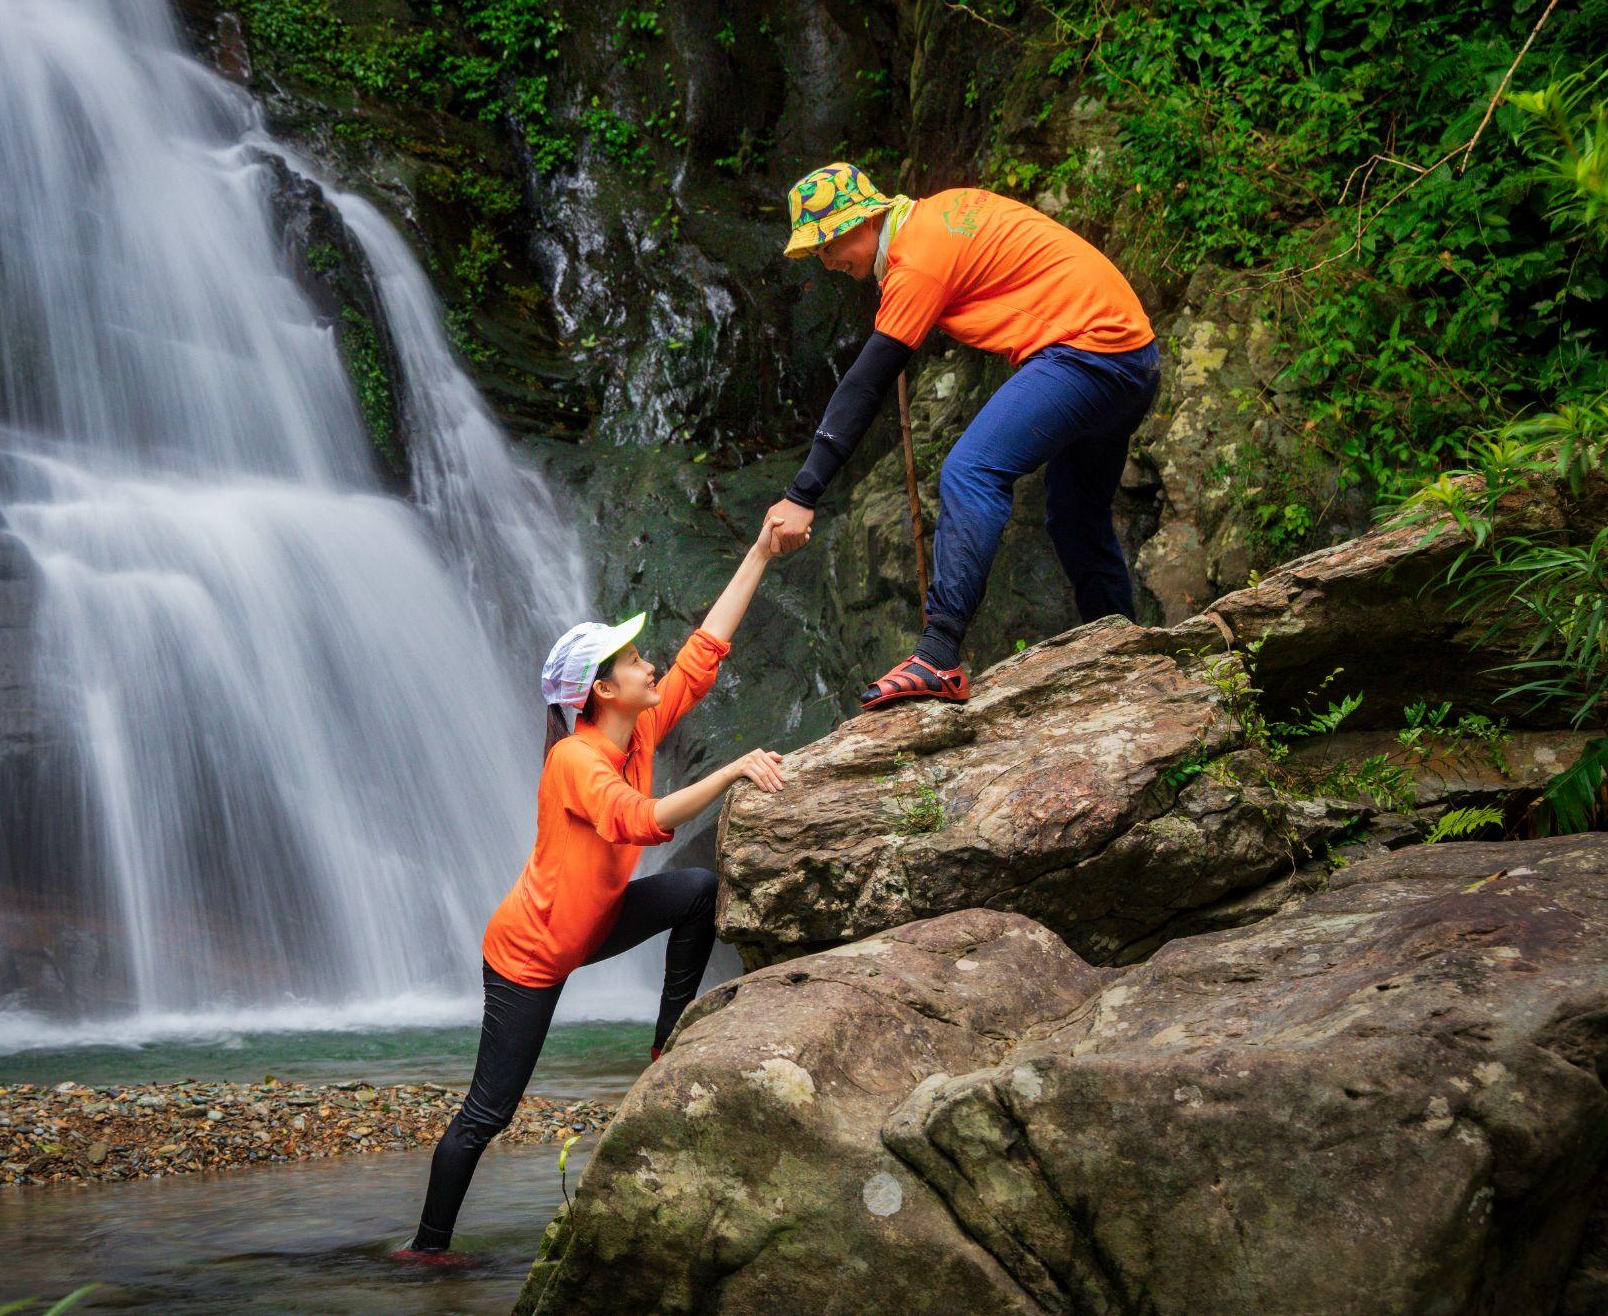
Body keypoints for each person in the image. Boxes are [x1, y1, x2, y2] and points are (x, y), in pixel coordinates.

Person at [402, 516, 789, 1258]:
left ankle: (664, 1048)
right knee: (489, 1114)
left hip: (597, 919)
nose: (653, 667)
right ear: (605, 689)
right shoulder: (575, 761)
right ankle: (425, 1249)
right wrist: (733, 767)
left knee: (698, 890)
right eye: (637, 660)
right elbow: (637, 820)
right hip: (529, 956)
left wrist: (761, 551)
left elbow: (704, 654)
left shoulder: (635, 729)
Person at [764, 162, 1160, 709]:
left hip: (1092, 353)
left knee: (971, 470)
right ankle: (1125, 653)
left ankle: (938, 654)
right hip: (1133, 356)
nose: (828, 263)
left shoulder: (917, 261)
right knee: (1074, 514)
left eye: (827, 247)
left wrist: (803, 494)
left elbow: (865, 385)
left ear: (862, 223)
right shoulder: (939, 214)